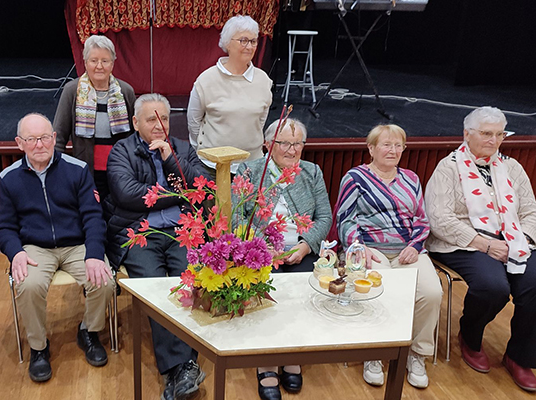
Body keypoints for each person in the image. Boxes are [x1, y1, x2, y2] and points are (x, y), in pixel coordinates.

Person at [425, 107, 536, 392]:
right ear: (466, 134)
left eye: (499, 134)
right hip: (463, 242)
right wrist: (486, 244)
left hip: (512, 239)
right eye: (486, 134)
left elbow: (531, 211)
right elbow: (439, 219)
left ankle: (519, 356)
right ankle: (470, 337)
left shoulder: (512, 167)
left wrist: (524, 242)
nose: (493, 141)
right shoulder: (449, 167)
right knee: (492, 286)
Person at [0, 113, 116, 383]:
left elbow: (93, 217)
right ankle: (39, 347)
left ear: (54, 138)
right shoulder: (9, 178)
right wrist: (16, 253)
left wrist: (95, 254)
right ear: (19, 143)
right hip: (35, 248)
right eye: (32, 139)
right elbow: (4, 228)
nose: (40, 144)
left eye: (45, 137)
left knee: (104, 280)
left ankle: (89, 331)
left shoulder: (77, 169)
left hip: (76, 244)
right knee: (27, 284)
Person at [106, 94, 209, 400]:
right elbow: (127, 194)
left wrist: (169, 160)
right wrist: (178, 193)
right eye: (151, 119)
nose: (159, 125)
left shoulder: (181, 148)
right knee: (154, 288)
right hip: (140, 233)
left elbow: (199, 186)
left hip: (182, 231)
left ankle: (179, 370)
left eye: (163, 118)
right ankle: (185, 366)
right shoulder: (121, 150)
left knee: (186, 283)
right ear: (136, 122)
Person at [334, 124, 441, 389]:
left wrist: (415, 246)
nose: (392, 150)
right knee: (382, 288)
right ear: (371, 148)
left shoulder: (411, 179)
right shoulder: (355, 178)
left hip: (407, 249)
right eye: (386, 144)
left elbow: (421, 220)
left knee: (431, 292)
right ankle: (375, 353)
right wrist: (359, 247)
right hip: (370, 249)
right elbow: (345, 220)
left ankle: (416, 353)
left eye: (398, 145)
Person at [234, 118, 332, 400]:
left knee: (302, 293)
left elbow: (324, 216)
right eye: (284, 143)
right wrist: (264, 246)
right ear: (268, 144)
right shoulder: (250, 170)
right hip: (261, 251)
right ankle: (266, 364)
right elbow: (238, 217)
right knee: (267, 296)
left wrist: (304, 245)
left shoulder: (311, 172)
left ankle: (292, 355)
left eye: (297, 143)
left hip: (300, 248)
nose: (292, 150)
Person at [187, 14, 273, 177]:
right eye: (243, 40)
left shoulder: (263, 80)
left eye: (253, 41)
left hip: (251, 166)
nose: (249, 46)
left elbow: (260, 120)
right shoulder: (206, 79)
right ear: (227, 42)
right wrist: (205, 150)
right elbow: (193, 122)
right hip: (213, 167)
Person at [53, 34, 136, 201]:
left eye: (105, 61)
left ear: (112, 63)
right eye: (94, 60)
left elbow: (135, 135)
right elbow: (59, 136)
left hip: (120, 171)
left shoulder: (125, 91)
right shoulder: (72, 91)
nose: (99, 66)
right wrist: (55, 172)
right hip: (86, 172)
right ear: (85, 62)